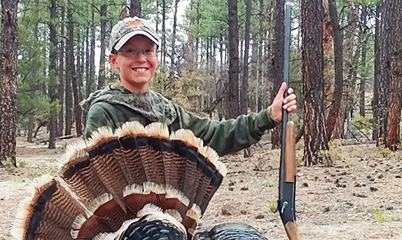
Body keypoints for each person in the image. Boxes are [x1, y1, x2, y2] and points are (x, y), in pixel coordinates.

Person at [81, 17, 298, 157]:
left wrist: (268, 116)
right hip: (121, 224)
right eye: (130, 51)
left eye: (148, 51)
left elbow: (214, 134)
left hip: (168, 216)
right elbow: (94, 179)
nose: (141, 58)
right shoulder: (104, 111)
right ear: (113, 60)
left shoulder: (164, 109)